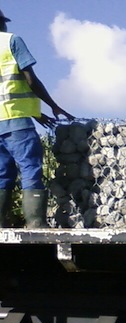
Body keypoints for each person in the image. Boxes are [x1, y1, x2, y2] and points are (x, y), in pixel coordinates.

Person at [0, 8, 74, 228]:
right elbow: (29, 80)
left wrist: (37, 113)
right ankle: (35, 223)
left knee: (2, 174)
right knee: (30, 168)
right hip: (16, 122)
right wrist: (54, 106)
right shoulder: (11, 41)